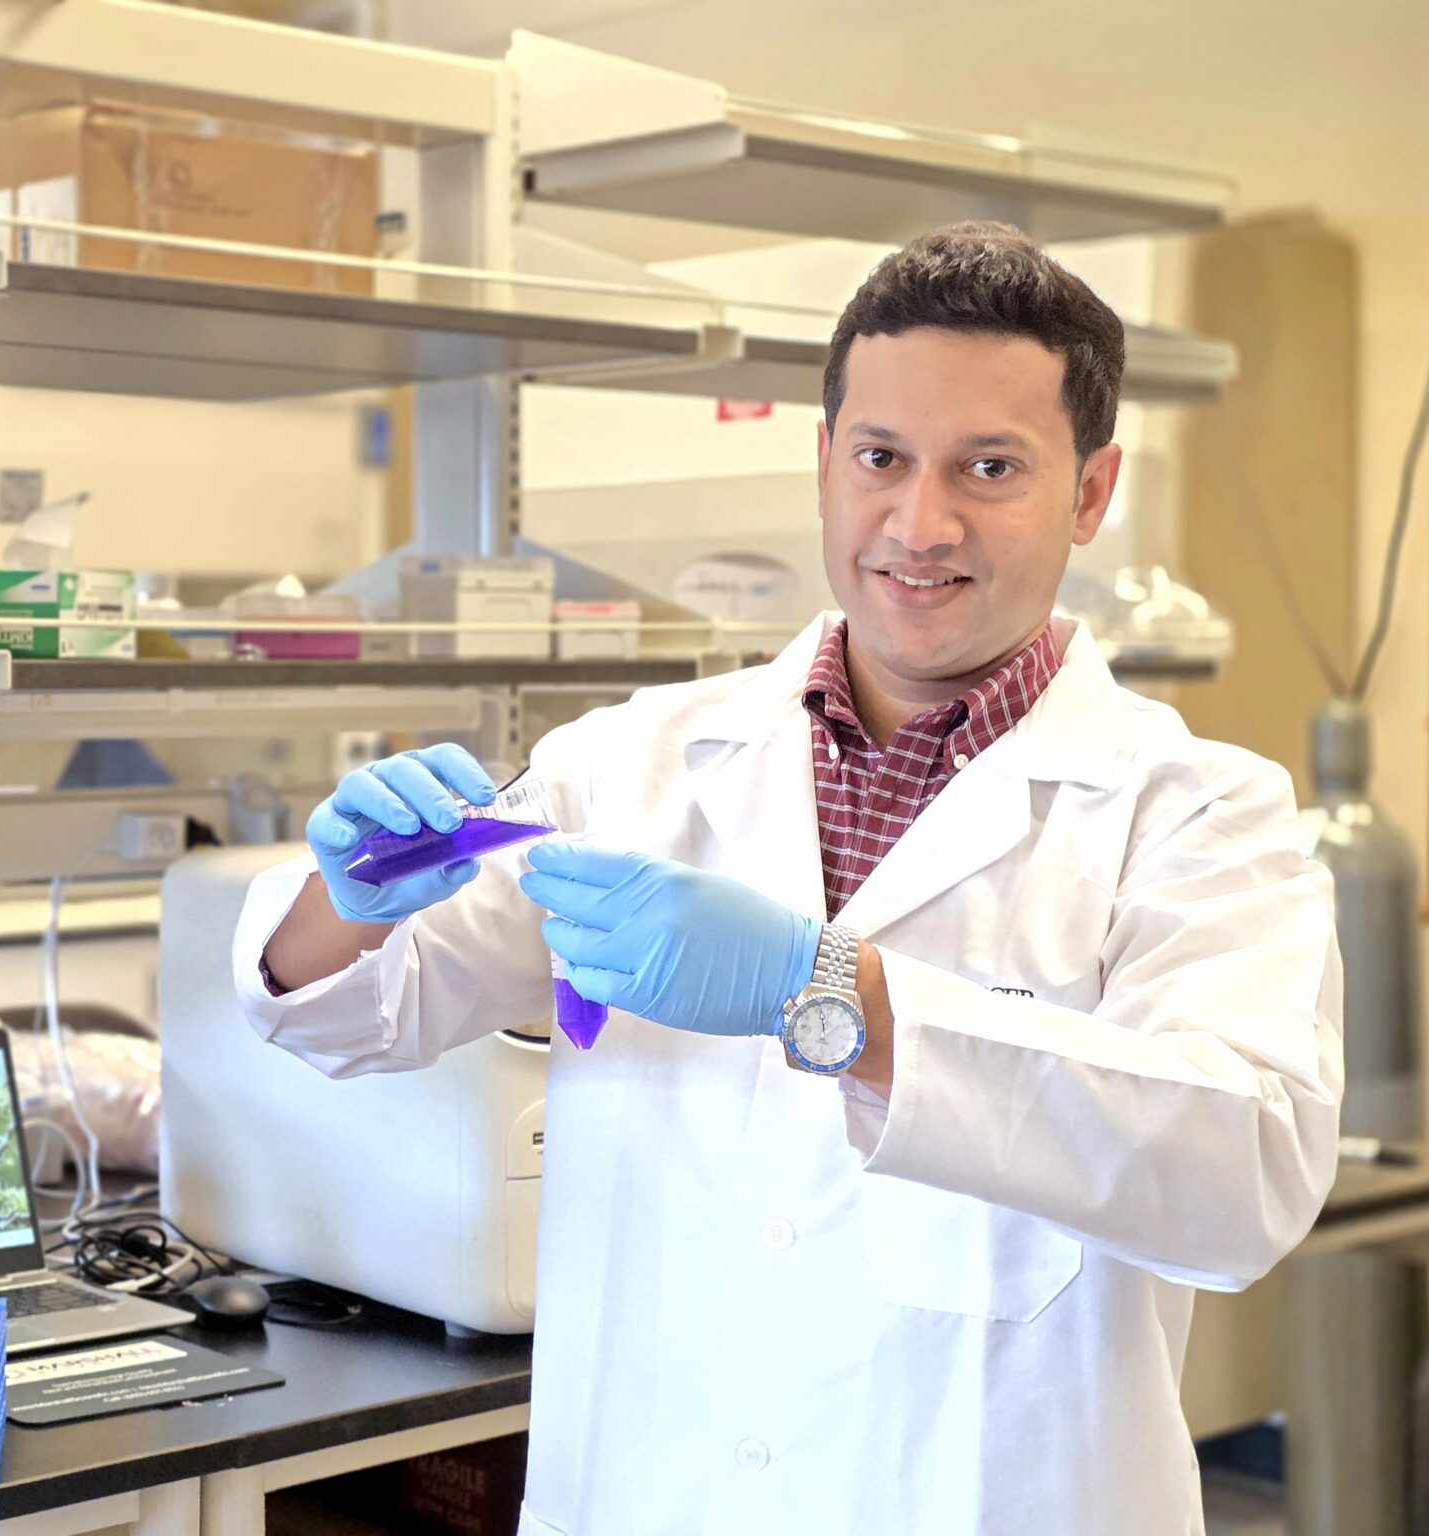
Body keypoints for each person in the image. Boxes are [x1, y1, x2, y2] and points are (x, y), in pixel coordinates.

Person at [233, 223, 1342, 1536]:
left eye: (990, 467)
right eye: (880, 458)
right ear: (823, 461)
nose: (918, 525)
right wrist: (345, 904)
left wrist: (839, 997)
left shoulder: (1198, 813)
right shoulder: (634, 765)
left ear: (1092, 492)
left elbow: (1245, 1174)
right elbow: (358, 1015)